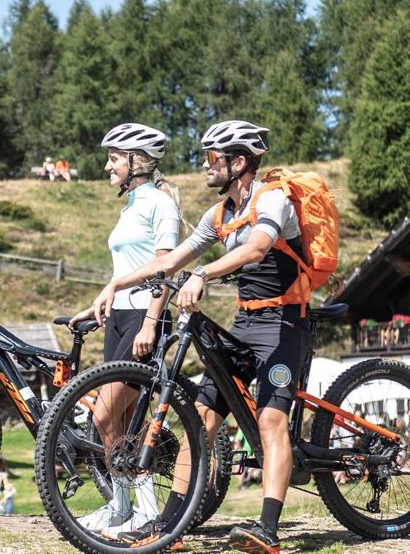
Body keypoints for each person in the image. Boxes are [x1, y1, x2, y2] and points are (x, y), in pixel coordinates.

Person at [86, 120, 308, 552]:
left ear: (238, 162)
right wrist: (118, 284)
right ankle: (166, 526)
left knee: (270, 420)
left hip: (285, 323)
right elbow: (170, 262)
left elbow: (256, 249)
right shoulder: (220, 213)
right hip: (245, 322)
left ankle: (266, 529)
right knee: (200, 422)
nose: (206, 166)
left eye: (212, 158)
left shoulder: (272, 199)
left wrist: (203, 273)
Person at [68, 122, 181, 535]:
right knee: (127, 420)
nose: (106, 165)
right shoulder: (131, 205)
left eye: (113, 158)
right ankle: (132, 510)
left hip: (142, 319)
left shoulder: (161, 205)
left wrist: (151, 322)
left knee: (102, 413)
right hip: (120, 316)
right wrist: (99, 301)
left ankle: (131, 509)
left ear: (137, 161)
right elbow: (126, 269)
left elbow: (165, 270)